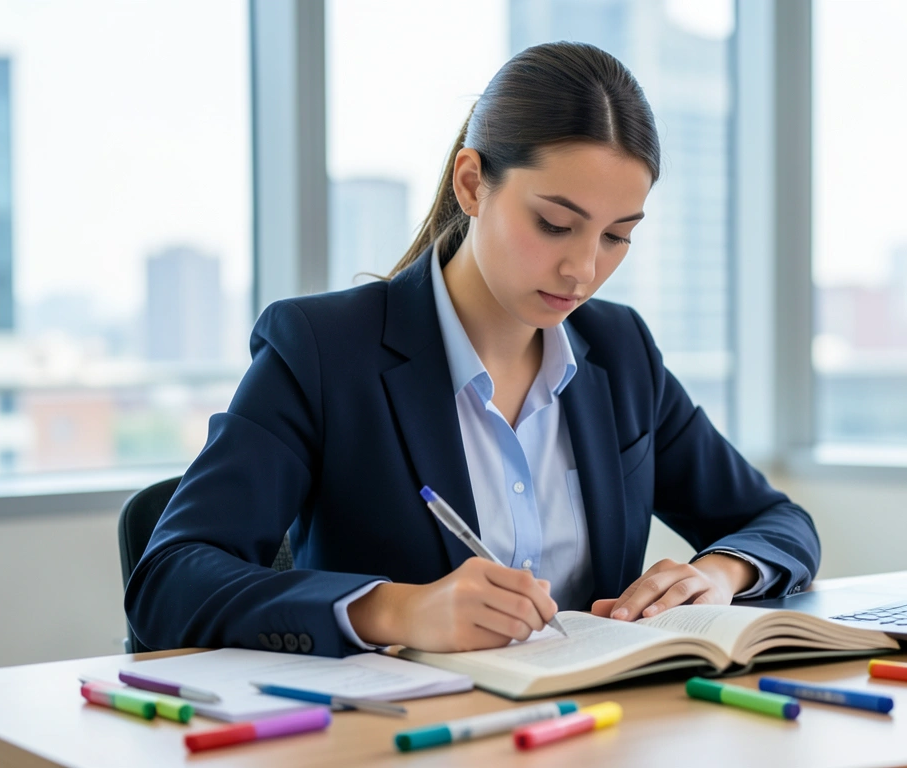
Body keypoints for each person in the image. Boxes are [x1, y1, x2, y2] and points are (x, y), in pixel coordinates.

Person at [125, 41, 820, 658]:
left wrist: (718, 573)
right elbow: (169, 579)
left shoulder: (619, 351)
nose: (583, 269)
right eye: (554, 224)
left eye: (616, 236)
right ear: (471, 183)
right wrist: (396, 609)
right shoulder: (322, 350)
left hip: (594, 735)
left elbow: (777, 522)